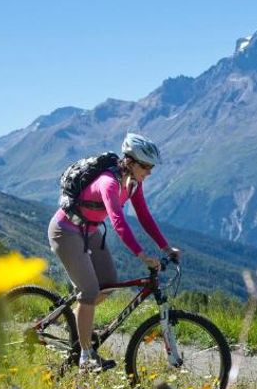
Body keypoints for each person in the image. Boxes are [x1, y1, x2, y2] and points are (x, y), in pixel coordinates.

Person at [48, 133, 181, 371]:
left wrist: (165, 246)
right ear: (130, 162)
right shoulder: (109, 183)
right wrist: (141, 255)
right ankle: (86, 356)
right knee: (89, 291)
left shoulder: (133, 184)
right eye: (146, 166)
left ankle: (78, 325)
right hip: (65, 231)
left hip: (90, 231)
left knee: (108, 284)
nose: (149, 172)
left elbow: (144, 216)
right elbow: (118, 222)